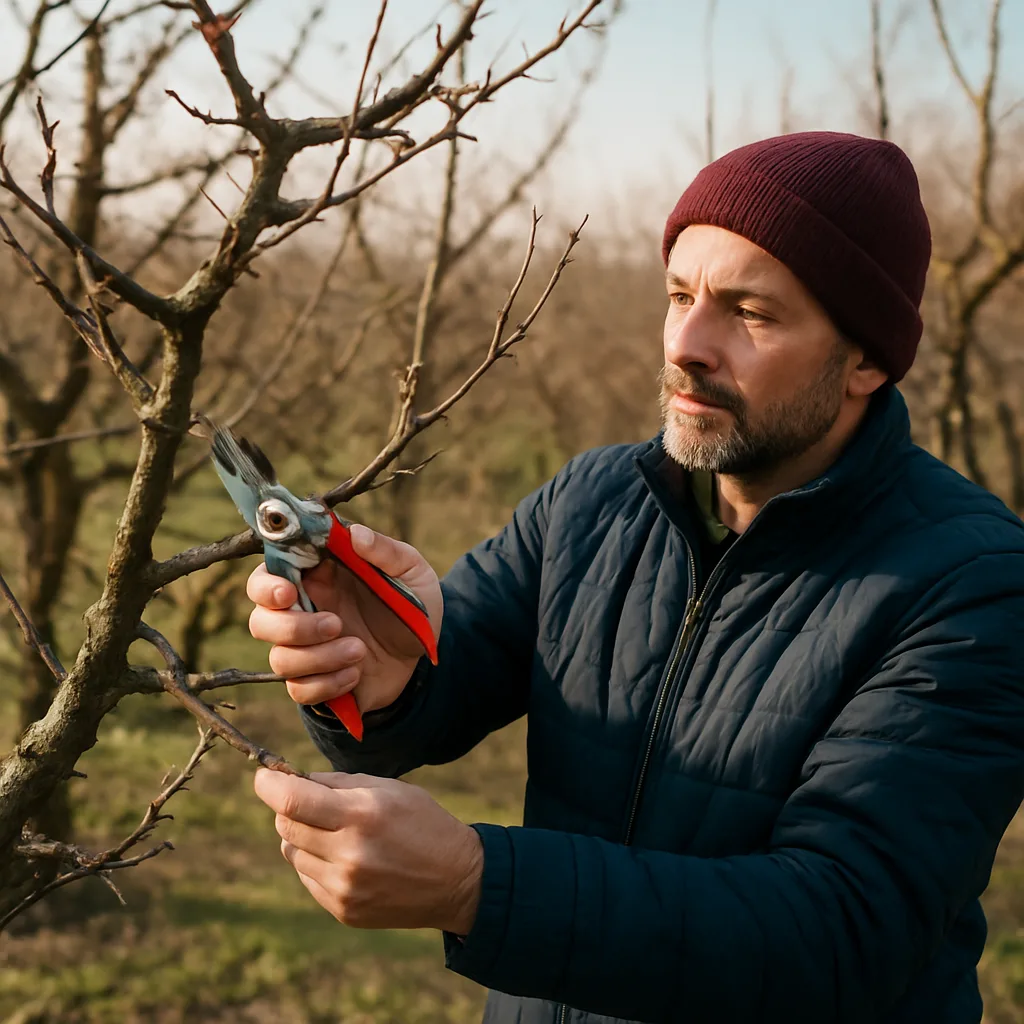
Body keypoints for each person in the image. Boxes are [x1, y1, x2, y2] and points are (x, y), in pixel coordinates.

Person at [246, 132, 1024, 1024]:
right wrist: (377, 676)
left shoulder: (975, 582)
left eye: (750, 313)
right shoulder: (594, 498)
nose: (687, 343)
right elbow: (436, 691)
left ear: (866, 361)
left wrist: (478, 884)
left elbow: (845, 929)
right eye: (680, 295)